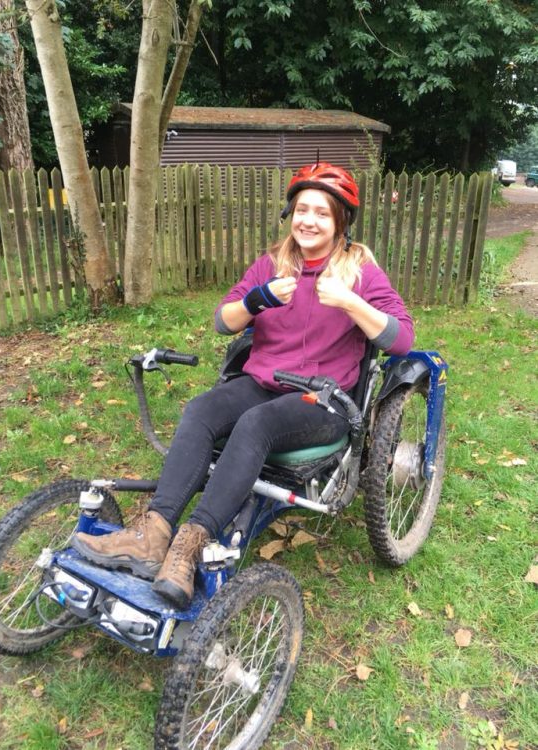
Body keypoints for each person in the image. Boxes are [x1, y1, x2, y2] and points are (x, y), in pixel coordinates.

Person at [72, 162, 414, 610]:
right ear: (290, 214)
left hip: (323, 400)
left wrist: (351, 302)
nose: (309, 221)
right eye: (302, 210)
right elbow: (222, 321)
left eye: (323, 213)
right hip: (263, 382)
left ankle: (188, 548)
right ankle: (153, 535)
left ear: (341, 222)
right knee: (201, 410)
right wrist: (258, 300)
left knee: (255, 425)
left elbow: (402, 339)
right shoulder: (272, 264)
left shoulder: (360, 271)